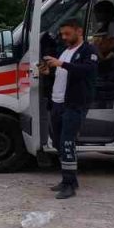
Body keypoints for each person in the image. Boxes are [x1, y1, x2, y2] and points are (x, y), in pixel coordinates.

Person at [41, 18, 98, 200]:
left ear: (79, 31)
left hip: (75, 104)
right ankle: (69, 180)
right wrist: (48, 72)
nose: (64, 37)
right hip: (57, 102)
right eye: (62, 34)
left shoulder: (88, 51)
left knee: (67, 142)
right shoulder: (64, 51)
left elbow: (87, 71)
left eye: (68, 33)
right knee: (58, 143)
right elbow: (61, 75)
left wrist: (61, 64)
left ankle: (68, 184)